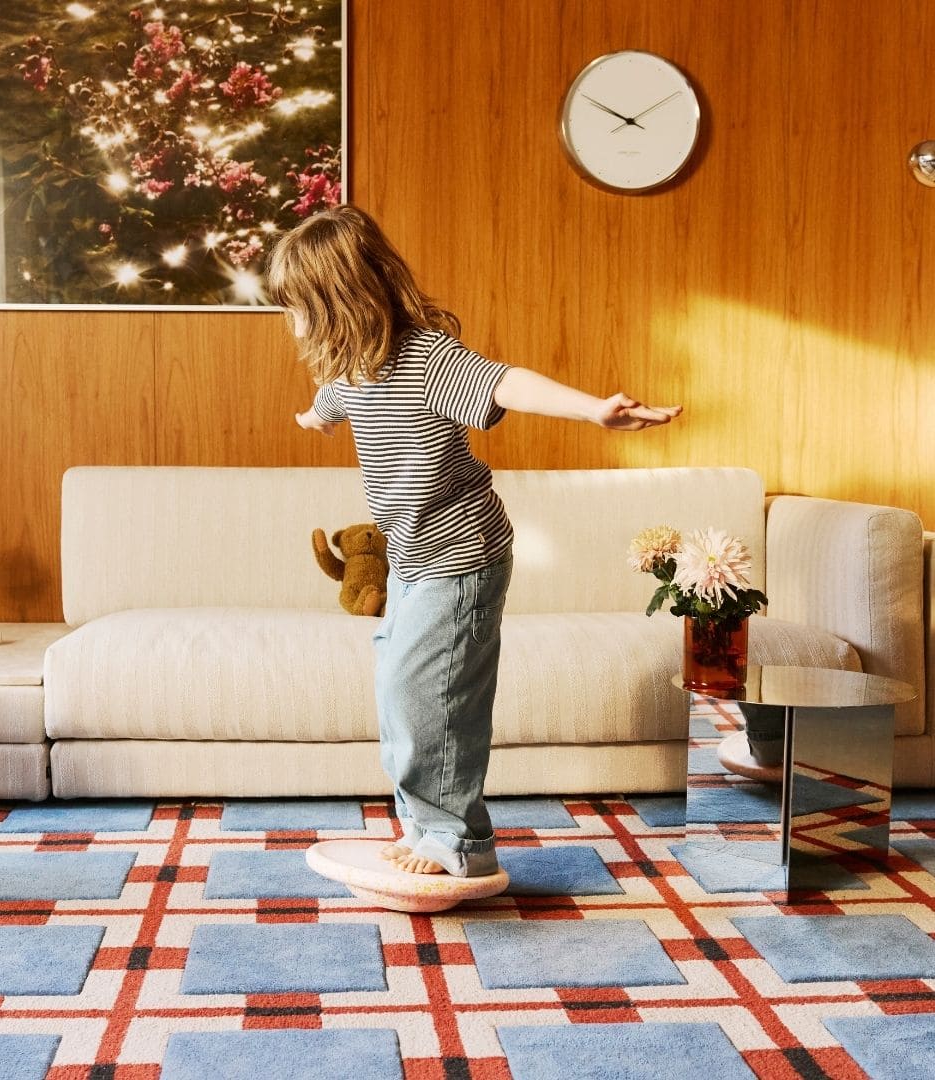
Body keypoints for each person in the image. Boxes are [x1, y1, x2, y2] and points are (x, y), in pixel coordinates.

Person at [267, 205, 681, 877]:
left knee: (434, 699)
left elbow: (505, 382)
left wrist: (594, 408)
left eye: (298, 306)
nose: (293, 322)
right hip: (410, 558)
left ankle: (460, 843)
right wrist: (315, 416)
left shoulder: (427, 358)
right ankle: (425, 830)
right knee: (402, 695)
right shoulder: (350, 370)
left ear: (340, 300)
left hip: (461, 555)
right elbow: (335, 402)